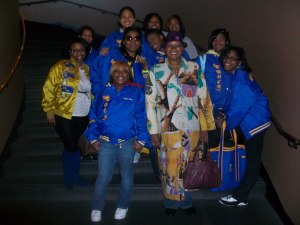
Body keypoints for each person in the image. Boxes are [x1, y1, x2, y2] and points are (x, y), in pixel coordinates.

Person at [145, 31, 215, 216]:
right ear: (164, 49)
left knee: (188, 167)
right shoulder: (156, 70)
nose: (173, 49)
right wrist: (153, 131)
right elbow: (150, 103)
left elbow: (203, 99)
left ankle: (186, 203)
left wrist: (205, 127)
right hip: (168, 129)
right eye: (169, 45)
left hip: (191, 127)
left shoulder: (193, 68)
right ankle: (170, 204)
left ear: (183, 48)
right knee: (169, 168)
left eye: (177, 45)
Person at [85, 62, 149, 222]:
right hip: (106, 143)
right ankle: (97, 207)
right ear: (112, 74)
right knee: (103, 177)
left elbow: (142, 117)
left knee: (126, 175)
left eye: (124, 71)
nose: (120, 74)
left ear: (129, 74)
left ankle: (123, 205)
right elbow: (93, 116)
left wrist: (142, 139)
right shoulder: (103, 92)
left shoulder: (136, 92)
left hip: (127, 142)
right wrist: (92, 138)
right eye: (117, 71)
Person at [216, 46, 271, 206]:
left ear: (239, 62)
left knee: (253, 161)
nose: (228, 60)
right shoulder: (237, 76)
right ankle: (243, 195)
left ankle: (240, 196)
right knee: (251, 159)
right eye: (226, 56)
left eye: (233, 58)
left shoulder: (240, 77)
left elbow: (240, 106)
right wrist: (224, 113)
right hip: (253, 120)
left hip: (255, 122)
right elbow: (233, 101)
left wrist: (226, 123)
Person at [42, 37, 91, 190]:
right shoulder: (60, 66)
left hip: (83, 114)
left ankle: (73, 175)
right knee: (71, 146)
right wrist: (49, 111)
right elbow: (48, 88)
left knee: (72, 146)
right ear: (70, 51)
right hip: (64, 113)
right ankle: (71, 177)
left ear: (86, 51)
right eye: (75, 50)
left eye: (81, 49)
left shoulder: (88, 70)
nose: (78, 52)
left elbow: (91, 92)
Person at [195, 28, 232, 147]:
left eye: (221, 39)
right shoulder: (205, 59)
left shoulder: (231, 60)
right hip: (210, 111)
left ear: (227, 42)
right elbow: (187, 69)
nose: (218, 42)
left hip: (227, 111)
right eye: (215, 39)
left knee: (224, 149)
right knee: (210, 147)